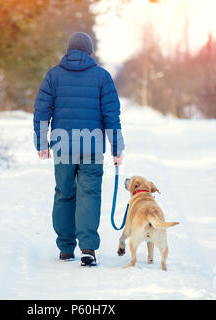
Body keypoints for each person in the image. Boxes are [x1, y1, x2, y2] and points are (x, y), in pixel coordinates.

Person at [33, 32, 125, 266]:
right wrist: (116, 146)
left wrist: (42, 144)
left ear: (68, 51)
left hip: (62, 145)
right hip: (92, 146)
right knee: (89, 195)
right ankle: (87, 249)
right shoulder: (102, 77)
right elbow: (110, 114)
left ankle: (65, 249)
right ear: (90, 52)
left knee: (64, 193)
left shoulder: (53, 75)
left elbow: (42, 111)